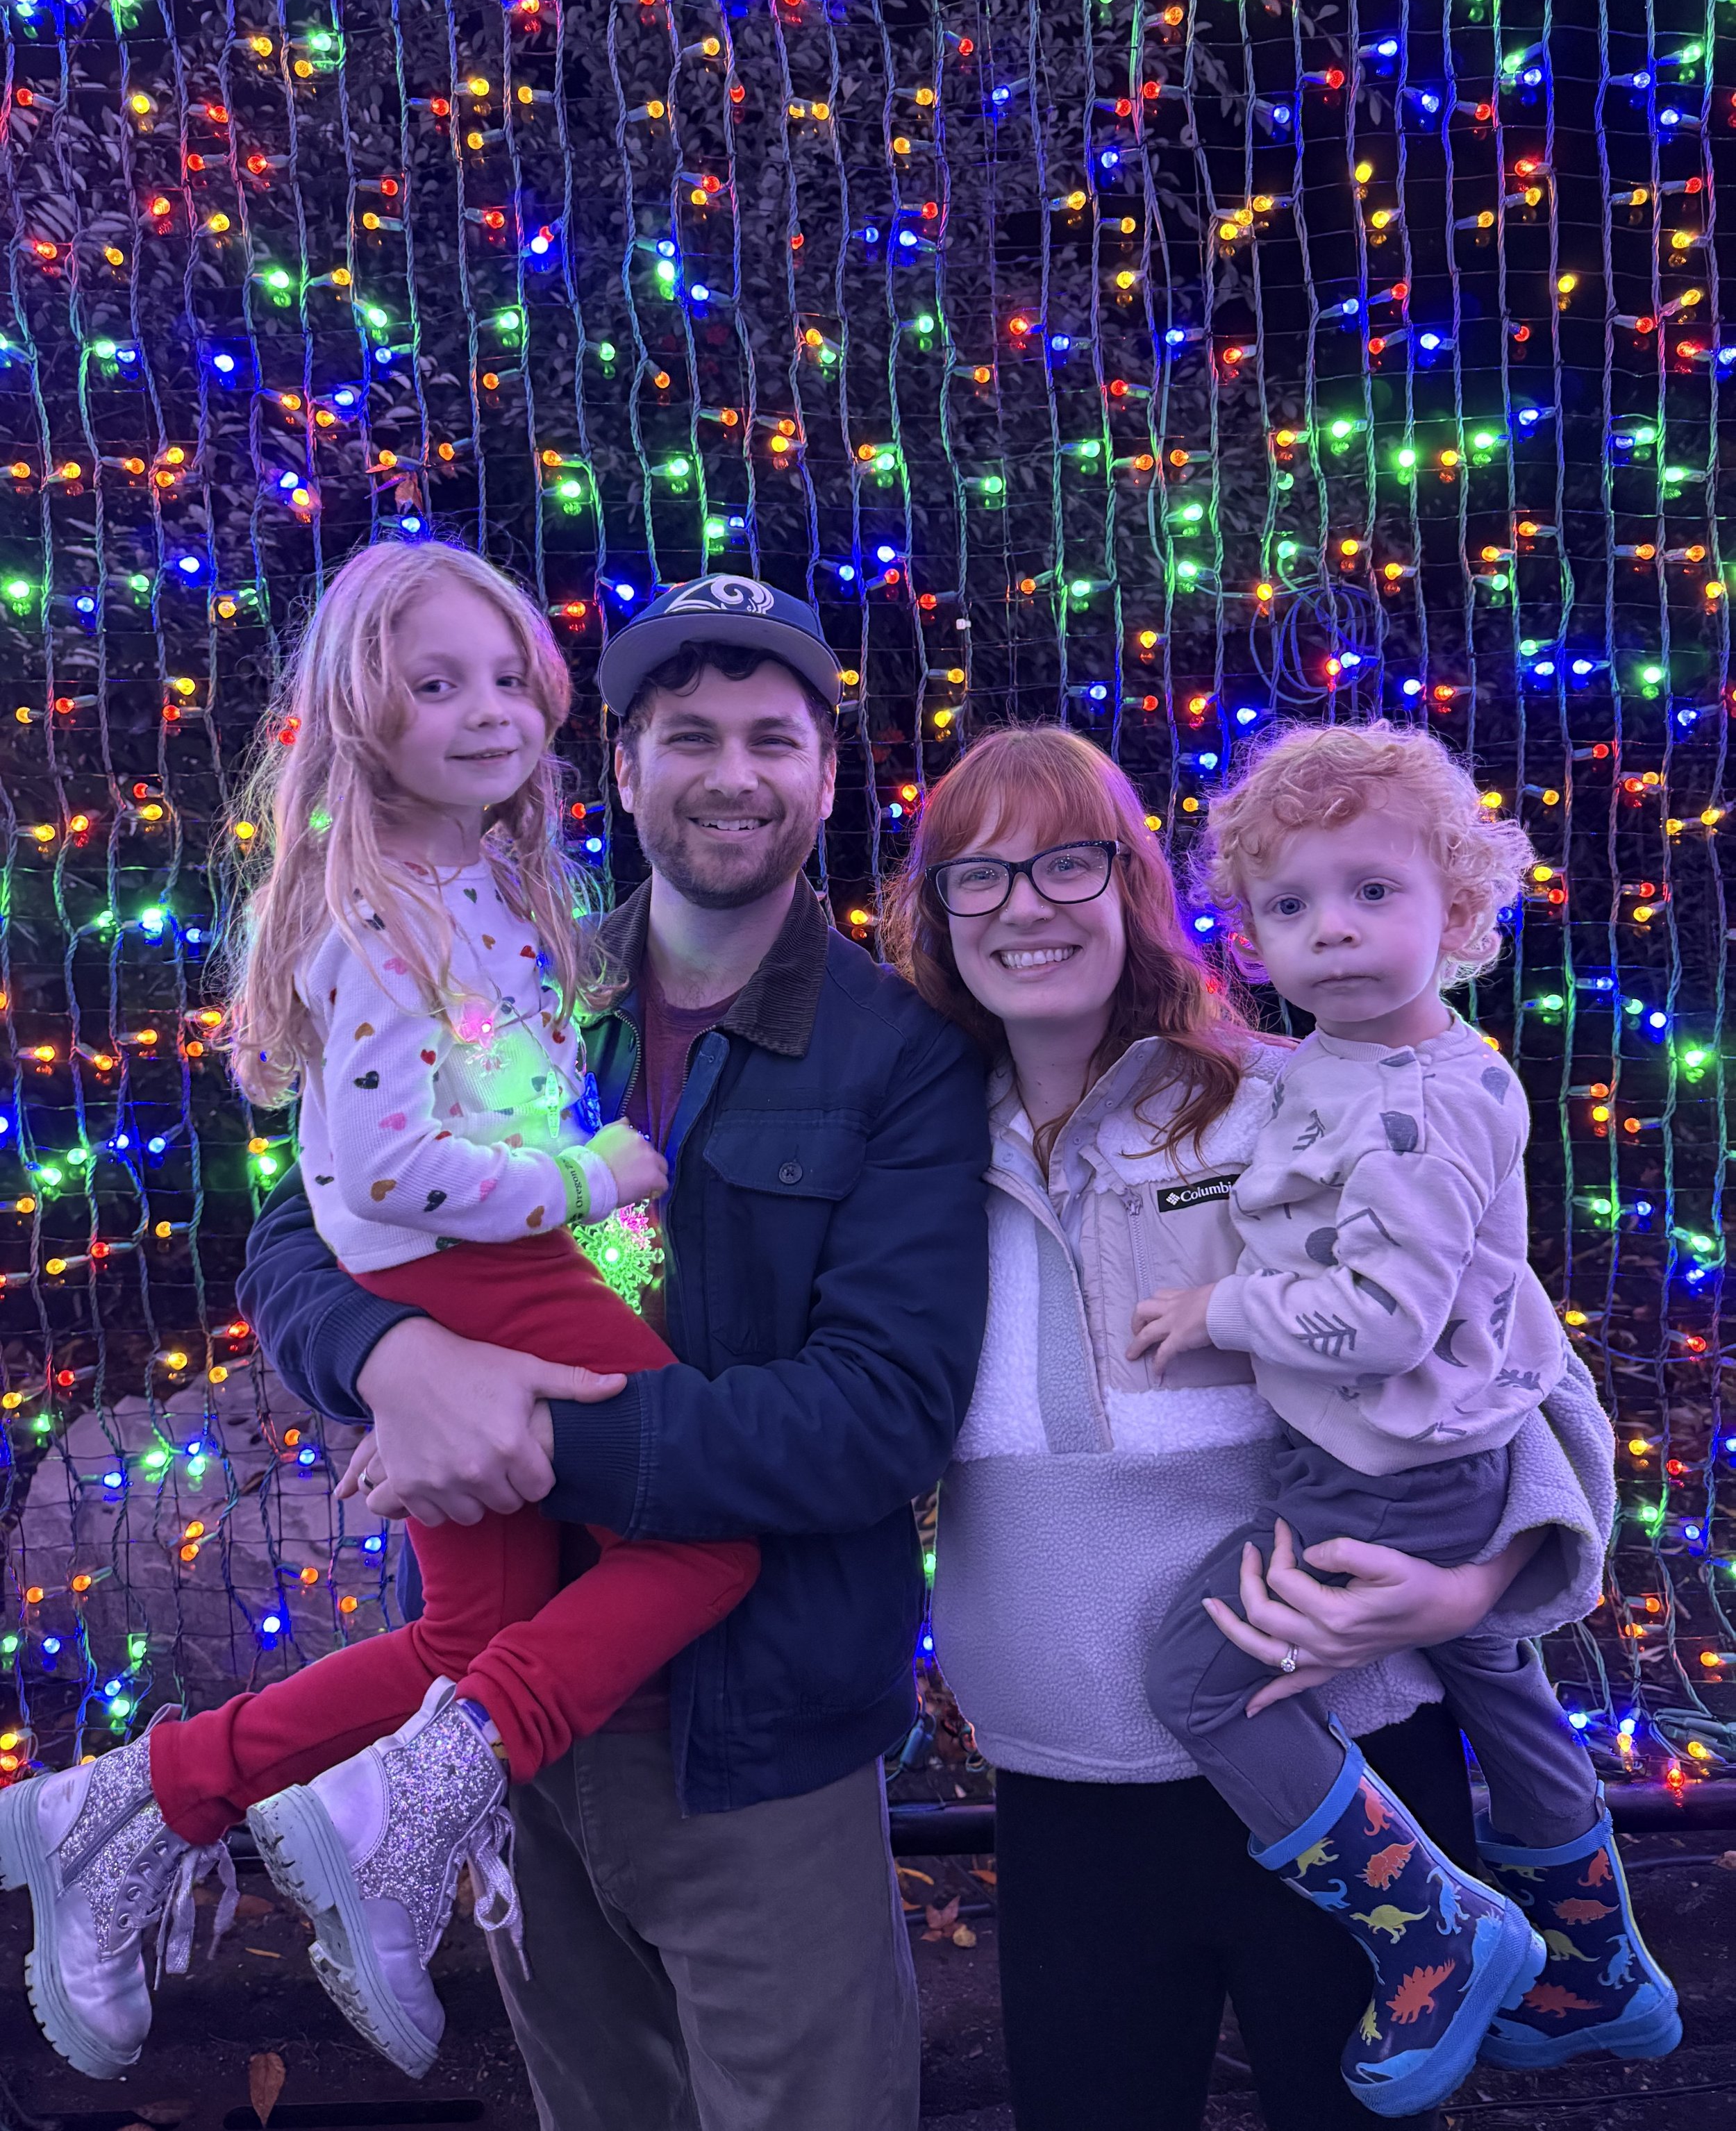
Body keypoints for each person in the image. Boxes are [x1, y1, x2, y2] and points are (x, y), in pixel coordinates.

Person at [231, 575, 992, 2131]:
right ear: (623, 765)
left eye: (772, 738)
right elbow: (298, 1239)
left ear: (827, 774)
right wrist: (389, 1358)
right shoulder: (495, 960)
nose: (732, 772)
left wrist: (516, 1418)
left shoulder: (897, 1053)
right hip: (508, 1736)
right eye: (687, 733)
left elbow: (876, 1417)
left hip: (748, 1742)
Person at [0, 543, 761, 2086]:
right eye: (436, 684)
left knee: (467, 1629)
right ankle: (373, 1815)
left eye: (504, 678)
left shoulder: (478, 875)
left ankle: (135, 1800)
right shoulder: (369, 919)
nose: (485, 711)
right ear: (361, 714)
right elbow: (384, 1172)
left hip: (506, 1269)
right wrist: (588, 1172)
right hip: (484, 1271)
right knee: (712, 1529)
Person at [883, 722, 1619, 2131]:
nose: (1024, 904)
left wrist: (1471, 1584)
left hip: (1346, 1764)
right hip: (1064, 1795)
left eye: (1067, 862)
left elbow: (1519, 1374)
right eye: (976, 876)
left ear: (1135, 888)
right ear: (932, 914)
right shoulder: (910, 1157)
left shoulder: (1294, 1106)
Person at [1131, 723, 1676, 2114]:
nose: (1332, 932)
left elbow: (1379, 1315)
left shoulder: (1412, 1107)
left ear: (1458, 902)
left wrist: (1218, 1311)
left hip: (1383, 1464)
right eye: (1290, 905)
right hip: (1459, 1442)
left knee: (1198, 1669)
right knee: (1493, 1667)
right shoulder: (1377, 1057)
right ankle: (1595, 1964)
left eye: (1372, 891)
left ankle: (1431, 1925)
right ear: (1249, 933)